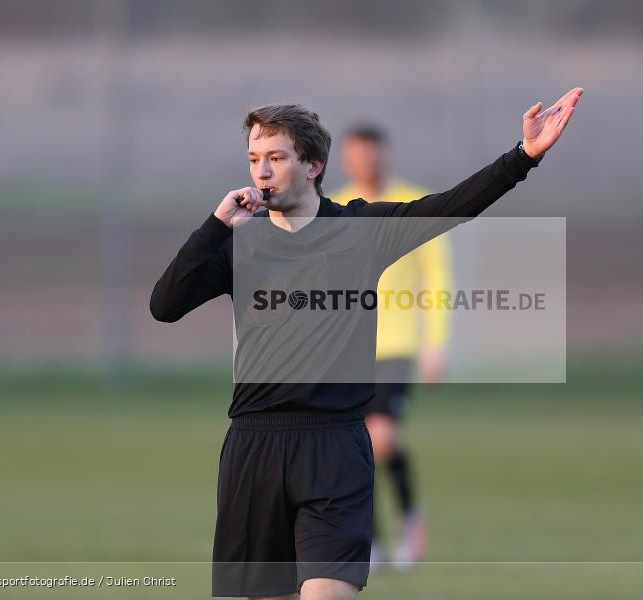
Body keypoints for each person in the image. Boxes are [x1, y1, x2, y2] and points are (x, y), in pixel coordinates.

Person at [149, 88, 582, 600]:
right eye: (253, 159)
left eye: (276, 158)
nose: (261, 172)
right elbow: (165, 304)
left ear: (312, 165)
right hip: (254, 446)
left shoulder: (360, 229)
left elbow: (450, 206)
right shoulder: (241, 240)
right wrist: (215, 226)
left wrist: (525, 156)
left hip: (334, 446)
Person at [331, 125, 451, 569]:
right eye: (358, 155)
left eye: (374, 154)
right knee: (350, 444)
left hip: (397, 342)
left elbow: (437, 278)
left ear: (386, 155)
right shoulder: (336, 208)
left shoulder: (412, 204)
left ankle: (410, 517)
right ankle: (372, 541)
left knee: (381, 439)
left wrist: (436, 344)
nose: (367, 163)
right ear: (344, 159)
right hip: (346, 347)